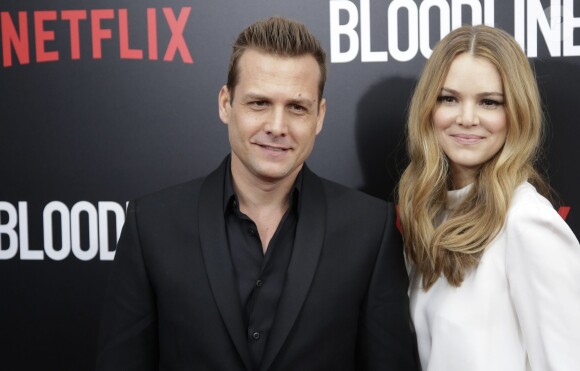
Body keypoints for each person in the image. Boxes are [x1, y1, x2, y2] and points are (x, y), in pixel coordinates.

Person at [96, 16, 418, 371]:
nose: (277, 127)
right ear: (225, 103)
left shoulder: (371, 229)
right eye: (259, 103)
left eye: (297, 107)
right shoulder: (153, 225)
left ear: (320, 116)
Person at [398, 24, 580, 371]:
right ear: (428, 109)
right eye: (448, 98)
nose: (467, 118)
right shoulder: (431, 216)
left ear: (516, 113)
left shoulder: (526, 222)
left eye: (489, 102)